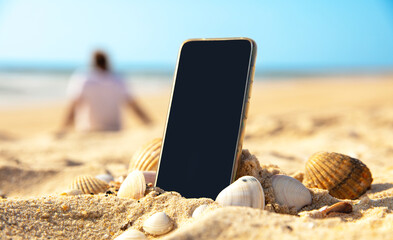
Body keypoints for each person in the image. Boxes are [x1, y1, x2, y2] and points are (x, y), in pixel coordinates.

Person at [61, 50, 152, 132]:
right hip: (115, 129)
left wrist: (64, 128)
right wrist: (149, 122)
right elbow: (133, 105)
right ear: (107, 61)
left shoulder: (83, 79)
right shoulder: (118, 79)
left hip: (89, 130)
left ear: (93, 62)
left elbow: (73, 106)